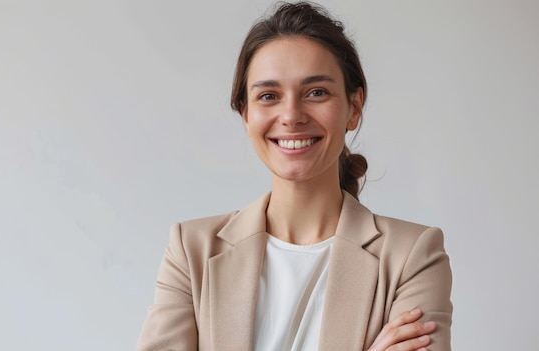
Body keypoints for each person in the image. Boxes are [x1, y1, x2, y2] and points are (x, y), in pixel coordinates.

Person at [136, 2, 452, 350]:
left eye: (316, 92)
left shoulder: (412, 256)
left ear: (354, 107)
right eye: (268, 96)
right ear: (245, 114)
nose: (291, 115)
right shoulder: (192, 250)